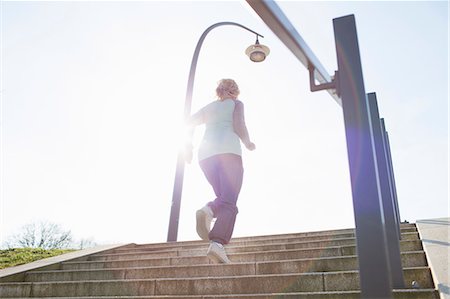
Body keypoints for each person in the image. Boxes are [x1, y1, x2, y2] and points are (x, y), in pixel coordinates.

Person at [185, 78, 255, 263]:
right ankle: (217, 243)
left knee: (224, 196)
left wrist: (188, 147)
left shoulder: (208, 107)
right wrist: (248, 142)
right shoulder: (237, 104)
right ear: (235, 91)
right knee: (229, 202)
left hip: (205, 157)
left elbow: (189, 122)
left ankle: (208, 209)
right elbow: (240, 125)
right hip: (229, 154)